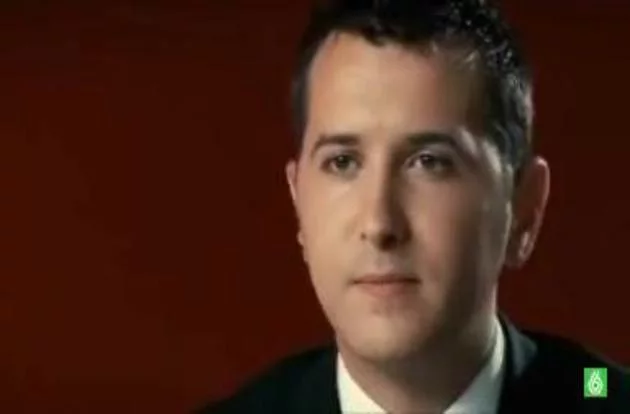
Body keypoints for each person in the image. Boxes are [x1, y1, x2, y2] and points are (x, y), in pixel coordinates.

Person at [199, 0, 630, 412]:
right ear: (298, 202)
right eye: (342, 162)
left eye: (430, 162)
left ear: (524, 208)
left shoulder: (601, 392)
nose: (379, 224)